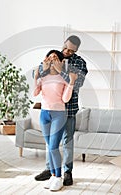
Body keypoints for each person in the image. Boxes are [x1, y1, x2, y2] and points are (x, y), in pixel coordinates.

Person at [35, 35, 88, 186]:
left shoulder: (79, 62)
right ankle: (50, 169)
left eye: (71, 51)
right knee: (50, 142)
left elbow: (78, 83)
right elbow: (37, 74)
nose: (66, 51)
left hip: (68, 109)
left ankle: (67, 172)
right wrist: (45, 70)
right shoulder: (54, 56)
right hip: (50, 108)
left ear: (76, 50)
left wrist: (62, 71)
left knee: (67, 141)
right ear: (63, 44)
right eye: (65, 48)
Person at [33, 50, 77, 191]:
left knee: (53, 147)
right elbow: (35, 93)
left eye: (55, 58)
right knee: (49, 147)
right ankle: (53, 175)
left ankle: (58, 178)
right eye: (50, 57)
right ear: (46, 60)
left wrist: (71, 82)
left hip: (59, 114)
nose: (52, 60)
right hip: (44, 114)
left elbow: (65, 99)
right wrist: (36, 78)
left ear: (60, 61)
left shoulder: (64, 77)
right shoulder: (43, 77)